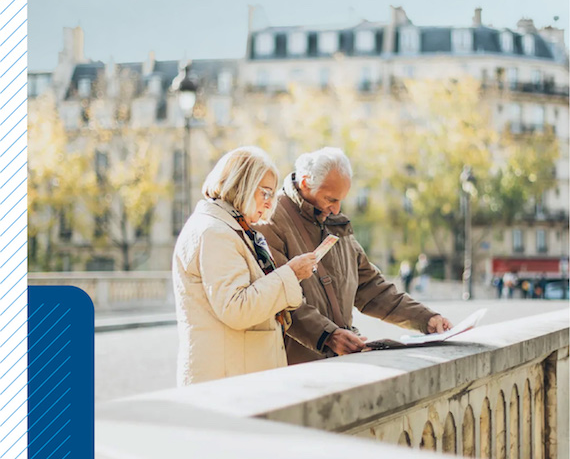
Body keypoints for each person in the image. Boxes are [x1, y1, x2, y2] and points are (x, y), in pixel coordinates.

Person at [256, 147, 452, 364]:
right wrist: (328, 336)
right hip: (295, 367)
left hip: (339, 362)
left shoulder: (334, 222)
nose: (337, 209)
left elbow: (372, 289)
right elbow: (279, 299)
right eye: (330, 199)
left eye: (341, 200)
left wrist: (426, 319)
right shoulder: (269, 219)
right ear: (304, 183)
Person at [172, 146, 317, 385]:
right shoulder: (216, 233)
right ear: (242, 184)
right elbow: (236, 308)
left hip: (234, 375)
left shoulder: (230, 228)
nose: (271, 204)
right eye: (266, 193)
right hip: (227, 383)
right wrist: (290, 274)